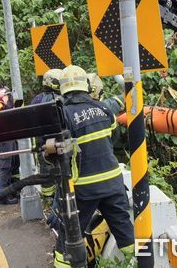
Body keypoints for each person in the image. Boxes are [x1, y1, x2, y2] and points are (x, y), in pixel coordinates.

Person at [53, 65, 134, 267]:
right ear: (87, 85)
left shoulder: (63, 115)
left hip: (83, 188)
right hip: (113, 183)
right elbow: (114, 138)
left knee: (69, 235)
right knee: (124, 229)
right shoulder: (104, 109)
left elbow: (55, 152)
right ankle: (138, 261)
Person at [30, 68, 62, 197]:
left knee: (46, 171)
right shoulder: (61, 98)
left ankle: (48, 198)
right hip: (58, 140)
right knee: (62, 168)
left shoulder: (37, 99)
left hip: (41, 142)